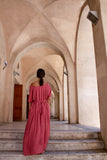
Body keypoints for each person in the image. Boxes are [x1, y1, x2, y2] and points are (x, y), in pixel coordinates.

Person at [23, 68, 51, 156]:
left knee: (33, 129)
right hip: (44, 107)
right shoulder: (47, 86)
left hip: (35, 108)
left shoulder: (32, 85)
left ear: (37, 75)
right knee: (43, 128)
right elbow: (49, 99)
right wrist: (46, 108)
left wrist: (30, 111)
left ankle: (33, 148)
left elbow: (30, 100)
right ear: (44, 75)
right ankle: (41, 149)